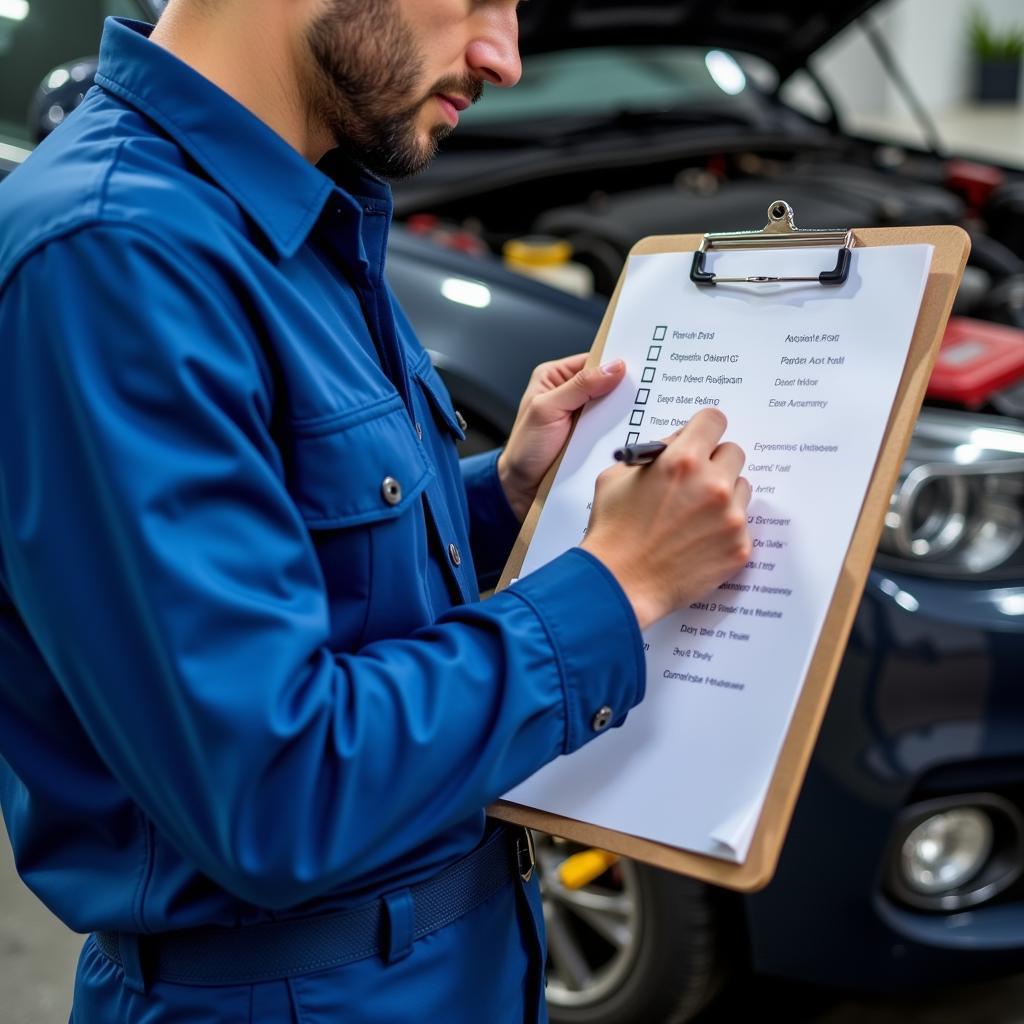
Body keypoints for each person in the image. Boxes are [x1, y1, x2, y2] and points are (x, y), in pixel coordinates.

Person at [0, 1, 752, 1021]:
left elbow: (317, 564)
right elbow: (277, 792)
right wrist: (617, 586)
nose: (506, 57)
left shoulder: (295, 205)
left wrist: (501, 499)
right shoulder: (112, 254)